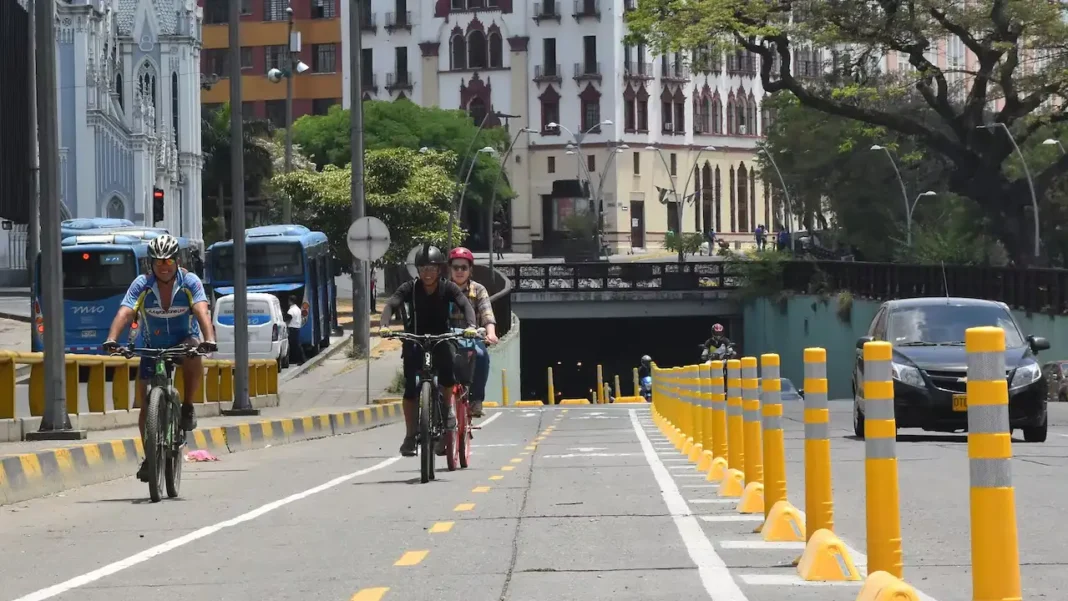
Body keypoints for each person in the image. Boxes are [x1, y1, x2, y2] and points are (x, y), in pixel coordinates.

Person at [102, 235, 217, 482]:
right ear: (151, 264)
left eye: (168, 261)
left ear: (177, 261)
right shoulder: (142, 284)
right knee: (145, 406)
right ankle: (150, 457)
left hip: (183, 341)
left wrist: (209, 338)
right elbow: (126, 311)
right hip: (152, 346)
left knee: (194, 353)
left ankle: (187, 406)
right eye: (158, 262)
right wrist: (112, 339)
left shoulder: (190, 282)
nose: (164, 267)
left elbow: (201, 311)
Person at [379, 244, 479, 457]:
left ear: (439, 269)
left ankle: (448, 410)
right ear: (417, 270)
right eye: (423, 268)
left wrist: (471, 325)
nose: (427, 273)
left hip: (440, 339)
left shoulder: (448, 287)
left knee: (447, 373)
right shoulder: (409, 288)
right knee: (410, 388)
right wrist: (384, 325)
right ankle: (410, 436)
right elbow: (391, 304)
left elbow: (465, 305)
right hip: (415, 340)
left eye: (432, 268)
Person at [446, 247, 498, 417]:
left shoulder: (478, 289)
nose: (459, 271)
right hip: (446, 337)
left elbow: (487, 314)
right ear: (450, 269)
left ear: (470, 270)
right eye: (456, 267)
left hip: (472, 337)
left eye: (464, 267)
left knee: (481, 355)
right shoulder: (442, 288)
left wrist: (491, 333)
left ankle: (476, 400)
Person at [284, 295, 306, 366]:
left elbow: (289, 318)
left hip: (292, 329)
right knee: (295, 345)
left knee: (295, 345)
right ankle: (295, 360)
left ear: (290, 301)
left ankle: (302, 359)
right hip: (297, 328)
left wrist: (285, 324)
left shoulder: (291, 310)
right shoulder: (298, 309)